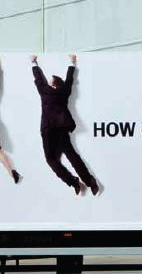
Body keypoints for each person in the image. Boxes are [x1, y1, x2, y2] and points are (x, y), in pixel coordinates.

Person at [31, 54, 99, 195]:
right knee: (71, 155)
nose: (48, 82)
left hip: (48, 129)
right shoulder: (64, 91)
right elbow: (69, 80)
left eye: (50, 81)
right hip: (61, 128)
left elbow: (38, 79)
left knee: (51, 159)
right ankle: (89, 181)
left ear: (53, 84)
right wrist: (72, 63)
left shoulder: (45, 92)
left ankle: (74, 182)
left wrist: (34, 62)